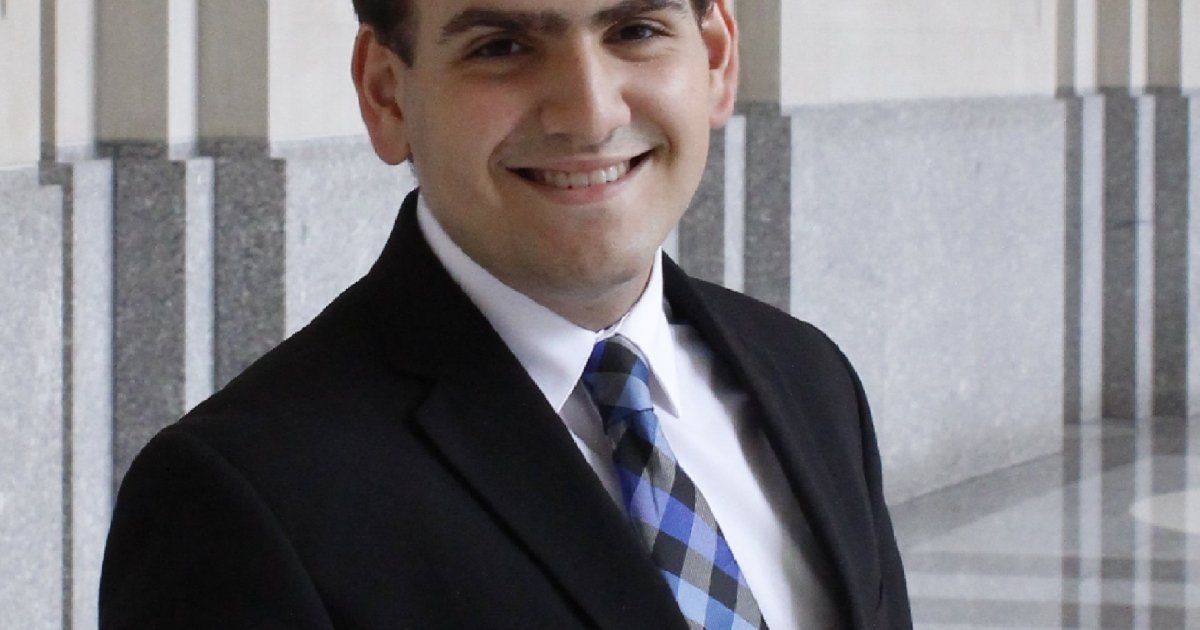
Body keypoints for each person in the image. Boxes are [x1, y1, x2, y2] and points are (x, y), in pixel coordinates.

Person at [99, 0, 911, 627]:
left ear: (718, 57)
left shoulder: (810, 381)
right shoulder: (240, 501)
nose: (590, 113)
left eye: (634, 30)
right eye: (501, 47)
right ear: (387, 96)